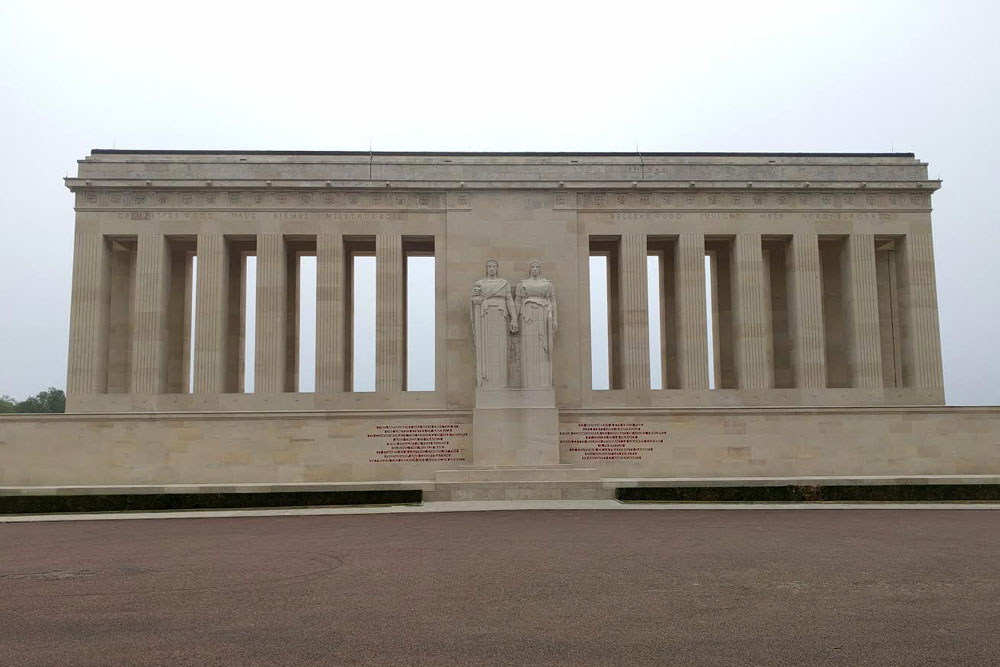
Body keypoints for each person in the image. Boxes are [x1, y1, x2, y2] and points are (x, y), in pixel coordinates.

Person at [470, 260, 517, 388]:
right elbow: (475, 301)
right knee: (485, 346)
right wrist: (476, 299)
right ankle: (486, 381)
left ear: (497, 268)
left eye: (494, 266)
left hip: (500, 316)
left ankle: (500, 382)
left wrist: (514, 318)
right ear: (486, 269)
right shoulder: (479, 283)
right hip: (485, 317)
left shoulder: (503, 283)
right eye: (489, 266)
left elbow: (510, 301)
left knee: (500, 347)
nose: (492, 269)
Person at [515, 260, 558, 388]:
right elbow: (517, 301)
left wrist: (555, 319)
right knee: (528, 347)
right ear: (529, 269)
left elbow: (553, 302)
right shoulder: (523, 284)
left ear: (540, 269)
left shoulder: (547, 284)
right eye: (532, 267)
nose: (534, 269)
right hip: (527, 316)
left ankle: (542, 380)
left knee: (542, 347)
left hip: (542, 315)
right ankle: (528, 381)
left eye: (537, 267)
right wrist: (514, 319)